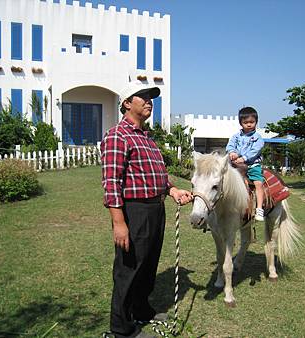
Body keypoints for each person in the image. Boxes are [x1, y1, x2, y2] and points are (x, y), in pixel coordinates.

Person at [100, 81, 193, 338]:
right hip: (134, 212)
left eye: (151, 97)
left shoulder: (147, 138)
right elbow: (111, 183)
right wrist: (119, 223)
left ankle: (141, 309)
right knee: (128, 269)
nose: (149, 100)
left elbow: (157, 176)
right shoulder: (117, 135)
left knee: (148, 265)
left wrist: (172, 190)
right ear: (127, 103)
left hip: (155, 209)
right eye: (143, 96)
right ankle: (121, 329)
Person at [226, 106, 265, 221]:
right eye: (245, 122)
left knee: (258, 183)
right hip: (236, 165)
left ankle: (259, 209)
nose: (249, 124)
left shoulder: (257, 138)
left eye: (252, 122)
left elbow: (255, 151)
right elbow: (230, 145)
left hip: (252, 165)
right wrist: (231, 152)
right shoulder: (236, 136)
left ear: (256, 122)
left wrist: (244, 158)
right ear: (241, 123)